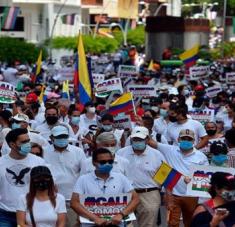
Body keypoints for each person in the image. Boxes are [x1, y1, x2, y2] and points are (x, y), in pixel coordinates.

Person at [70, 148, 139, 227]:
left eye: (110, 161)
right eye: (103, 162)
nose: (107, 164)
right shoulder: (83, 179)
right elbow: (74, 203)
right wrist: (94, 218)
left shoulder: (121, 177)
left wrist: (121, 214)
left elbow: (135, 199)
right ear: (94, 163)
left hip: (117, 224)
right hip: (92, 224)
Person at [154, 129, 209, 227]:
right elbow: (151, 142)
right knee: (172, 223)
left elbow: (205, 178)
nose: (186, 141)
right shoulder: (169, 149)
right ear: (178, 139)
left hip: (192, 196)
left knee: (190, 223)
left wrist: (192, 180)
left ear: (193, 141)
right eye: (184, 138)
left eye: (189, 139)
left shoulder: (201, 157)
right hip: (173, 195)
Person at [117, 126, 165, 227]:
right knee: (123, 224)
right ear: (131, 139)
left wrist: (165, 194)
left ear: (147, 139)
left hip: (149, 194)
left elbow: (164, 176)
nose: (137, 141)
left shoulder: (157, 155)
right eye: (135, 139)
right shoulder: (121, 153)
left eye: (140, 139)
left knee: (148, 224)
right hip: (126, 195)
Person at [0, 128, 46, 226]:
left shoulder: (39, 162)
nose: (28, 144)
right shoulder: (1, 163)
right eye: (24, 142)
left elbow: (48, 186)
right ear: (12, 144)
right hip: (5, 213)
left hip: (32, 213)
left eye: (28, 141)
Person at [44, 124, 86, 227]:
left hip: (73, 199)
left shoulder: (78, 151)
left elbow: (84, 174)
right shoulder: (44, 151)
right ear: (51, 138)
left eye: (64, 136)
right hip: (50, 199)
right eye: (58, 137)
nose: (62, 139)